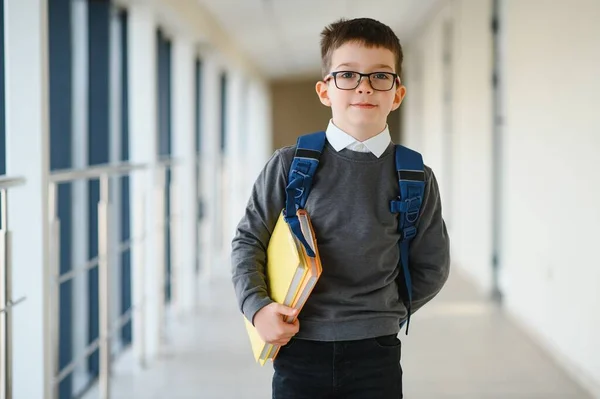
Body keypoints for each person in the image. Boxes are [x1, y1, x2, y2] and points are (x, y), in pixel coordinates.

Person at [231, 17, 450, 399]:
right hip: (298, 346)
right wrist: (258, 307)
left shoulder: (415, 175)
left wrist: (387, 311)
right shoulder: (288, 165)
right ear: (324, 90)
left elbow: (432, 265)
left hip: (376, 351)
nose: (364, 86)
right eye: (347, 75)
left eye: (380, 76)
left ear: (397, 94)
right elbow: (248, 240)